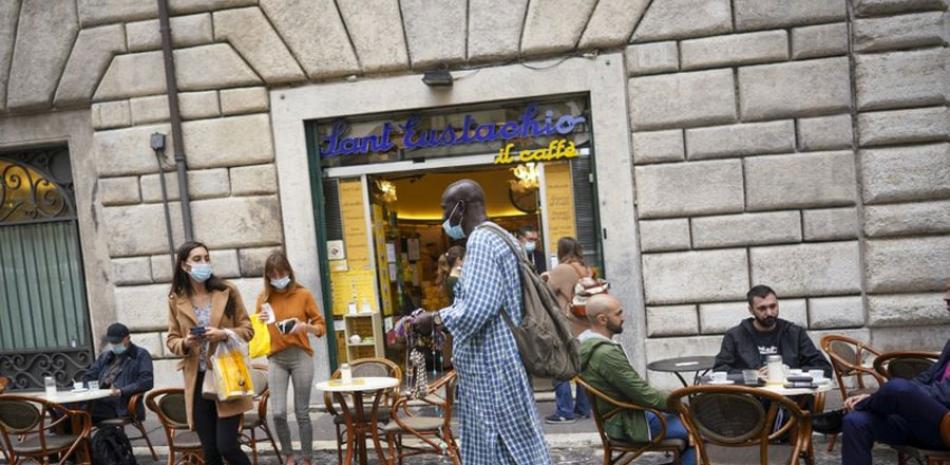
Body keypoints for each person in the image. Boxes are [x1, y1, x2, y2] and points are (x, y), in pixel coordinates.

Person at [416, 179, 551, 465]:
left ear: (460, 207)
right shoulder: (501, 236)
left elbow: (477, 309)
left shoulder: (481, 241)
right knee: (496, 446)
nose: (443, 218)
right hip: (493, 365)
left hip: (492, 367)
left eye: (445, 209)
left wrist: (436, 318)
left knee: (512, 445)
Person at [812, 280, 950, 465]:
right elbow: (928, 376)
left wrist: (906, 396)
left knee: (898, 388)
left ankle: (853, 409)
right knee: (856, 421)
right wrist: (908, 398)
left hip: (946, 429)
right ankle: (851, 413)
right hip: (924, 423)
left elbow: (945, 393)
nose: (945, 299)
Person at [579, 294, 695, 465]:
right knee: (701, 428)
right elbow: (643, 395)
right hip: (630, 424)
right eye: (618, 314)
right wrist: (679, 406)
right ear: (602, 319)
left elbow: (638, 392)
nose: (623, 318)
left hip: (622, 417)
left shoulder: (588, 345)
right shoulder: (606, 354)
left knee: (691, 421)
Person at [166, 241, 253, 465]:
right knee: (210, 451)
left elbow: (248, 330)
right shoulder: (176, 299)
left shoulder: (227, 291)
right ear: (184, 266)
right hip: (197, 381)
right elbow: (172, 340)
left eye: (206, 258)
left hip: (227, 375)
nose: (203, 263)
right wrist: (187, 341)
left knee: (227, 446)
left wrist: (223, 333)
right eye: (197, 259)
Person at [255, 252, 325, 465]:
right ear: (267, 277)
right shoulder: (263, 298)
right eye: (272, 275)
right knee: (277, 413)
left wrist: (306, 327)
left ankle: (307, 458)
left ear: (288, 272)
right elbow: (255, 332)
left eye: (281, 273)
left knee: (302, 412)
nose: (278, 278)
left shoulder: (302, 294)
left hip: (300, 355)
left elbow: (321, 327)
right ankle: (288, 455)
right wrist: (259, 321)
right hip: (276, 358)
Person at [713, 284, 832, 377]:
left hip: (790, 399)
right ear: (751, 310)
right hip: (751, 399)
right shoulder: (735, 336)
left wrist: (787, 371)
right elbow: (720, 370)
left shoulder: (795, 333)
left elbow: (824, 369)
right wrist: (753, 374)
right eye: (762, 308)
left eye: (773, 306)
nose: (769, 313)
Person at [543, 237, 592, 424]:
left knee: (560, 366)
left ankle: (564, 411)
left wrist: (545, 278)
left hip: (566, 325)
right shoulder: (585, 269)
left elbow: (546, 294)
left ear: (561, 251)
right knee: (581, 367)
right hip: (584, 324)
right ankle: (583, 408)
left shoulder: (562, 269)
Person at [81, 323, 154, 423]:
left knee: (79, 413)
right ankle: (73, 436)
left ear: (127, 338)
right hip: (99, 400)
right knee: (67, 409)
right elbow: (88, 376)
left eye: (117, 342)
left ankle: (77, 436)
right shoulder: (106, 356)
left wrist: (121, 391)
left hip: (121, 405)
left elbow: (147, 382)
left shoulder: (140, 355)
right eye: (112, 342)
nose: (115, 345)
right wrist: (90, 390)